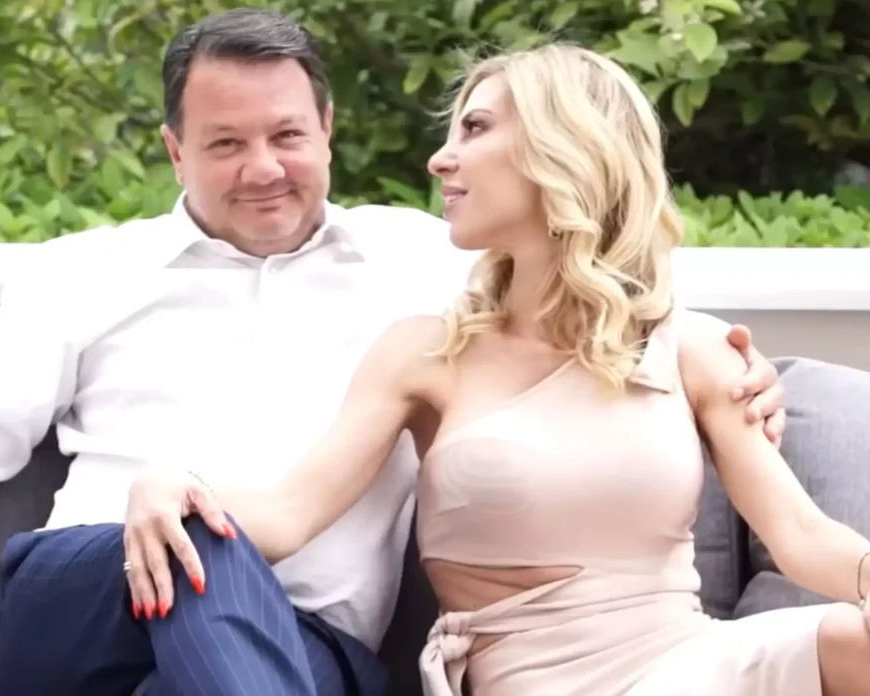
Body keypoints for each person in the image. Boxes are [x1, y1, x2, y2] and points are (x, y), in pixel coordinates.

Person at [0, 9, 786, 696]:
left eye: (288, 135)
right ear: (175, 151)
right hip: (83, 610)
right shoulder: (85, 273)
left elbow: (591, 292)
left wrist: (733, 370)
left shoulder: (428, 266)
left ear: (328, 131)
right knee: (201, 528)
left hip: (306, 651)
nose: (263, 168)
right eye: (226, 143)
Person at [125, 43, 870, 696]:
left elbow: (802, 535)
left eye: (475, 129)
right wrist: (173, 484)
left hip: (694, 662)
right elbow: (290, 515)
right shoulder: (425, 355)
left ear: (563, 145)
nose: (440, 159)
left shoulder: (692, 347)